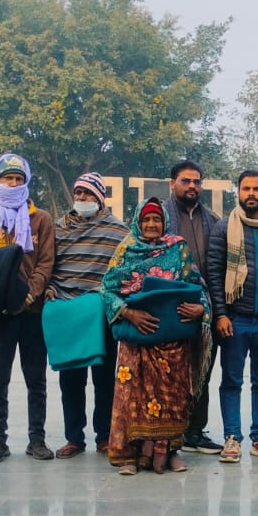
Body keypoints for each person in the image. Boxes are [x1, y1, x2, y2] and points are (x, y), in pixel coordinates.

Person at [103, 197, 209, 475]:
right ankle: (131, 456)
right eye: (146, 219)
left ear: (164, 222)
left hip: (172, 341)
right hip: (136, 340)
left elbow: (198, 286)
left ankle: (169, 451)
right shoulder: (126, 250)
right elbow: (107, 289)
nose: (151, 224)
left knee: (173, 398)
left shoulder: (178, 248)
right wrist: (128, 313)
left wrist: (201, 309)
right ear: (138, 222)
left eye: (156, 219)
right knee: (132, 398)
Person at [0, 153, 57, 463]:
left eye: (19, 179)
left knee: (36, 379)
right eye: (8, 178)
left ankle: (37, 439)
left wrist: (30, 295)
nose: (13, 183)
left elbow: (46, 261)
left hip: (32, 312)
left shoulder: (40, 218)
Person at [49, 172, 129, 459]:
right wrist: (48, 288)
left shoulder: (119, 231)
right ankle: (74, 437)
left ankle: (104, 436)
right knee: (71, 379)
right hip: (67, 310)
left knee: (105, 377)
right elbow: (48, 264)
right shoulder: (58, 228)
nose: (82, 199)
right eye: (78, 193)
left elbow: (124, 271)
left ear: (100, 198)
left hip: (101, 314)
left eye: (88, 194)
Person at [215, 169, 258, 463]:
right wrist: (220, 313)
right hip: (235, 319)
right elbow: (214, 273)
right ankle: (232, 438)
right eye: (246, 189)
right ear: (238, 193)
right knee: (231, 380)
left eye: (257, 189)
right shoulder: (223, 228)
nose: (251, 194)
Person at [165, 159, 226, 456]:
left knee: (201, 371)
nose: (192, 186)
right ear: (172, 183)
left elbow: (219, 267)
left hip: (204, 310)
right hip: (167, 310)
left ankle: (194, 430)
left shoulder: (213, 220)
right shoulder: (159, 217)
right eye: (186, 181)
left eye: (197, 181)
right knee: (168, 374)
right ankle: (167, 432)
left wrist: (209, 308)